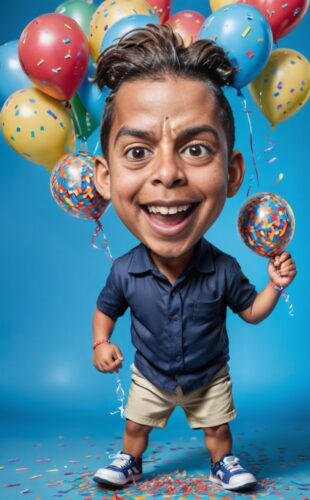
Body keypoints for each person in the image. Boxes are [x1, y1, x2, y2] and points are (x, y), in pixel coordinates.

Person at [91, 23, 297, 492]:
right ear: (104, 176)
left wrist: (274, 286)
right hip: (150, 374)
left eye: (197, 149)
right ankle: (131, 459)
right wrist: (100, 344)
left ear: (232, 172)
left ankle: (222, 463)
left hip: (208, 374)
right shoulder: (124, 271)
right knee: (136, 426)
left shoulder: (224, 268)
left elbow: (251, 312)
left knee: (217, 430)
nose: (167, 174)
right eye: (138, 151)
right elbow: (105, 311)